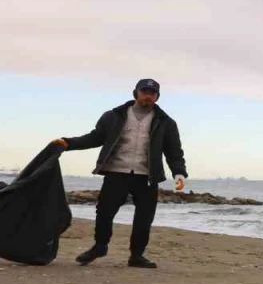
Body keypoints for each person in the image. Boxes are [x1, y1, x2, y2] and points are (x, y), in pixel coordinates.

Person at [51, 79, 188, 269]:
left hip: (147, 177)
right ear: (136, 93)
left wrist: (179, 173)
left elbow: (174, 151)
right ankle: (100, 246)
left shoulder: (166, 122)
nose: (148, 95)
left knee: (144, 218)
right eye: (144, 91)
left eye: (152, 93)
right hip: (117, 172)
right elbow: (95, 137)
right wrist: (68, 143)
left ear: (157, 96)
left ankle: (137, 256)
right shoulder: (113, 116)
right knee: (104, 212)